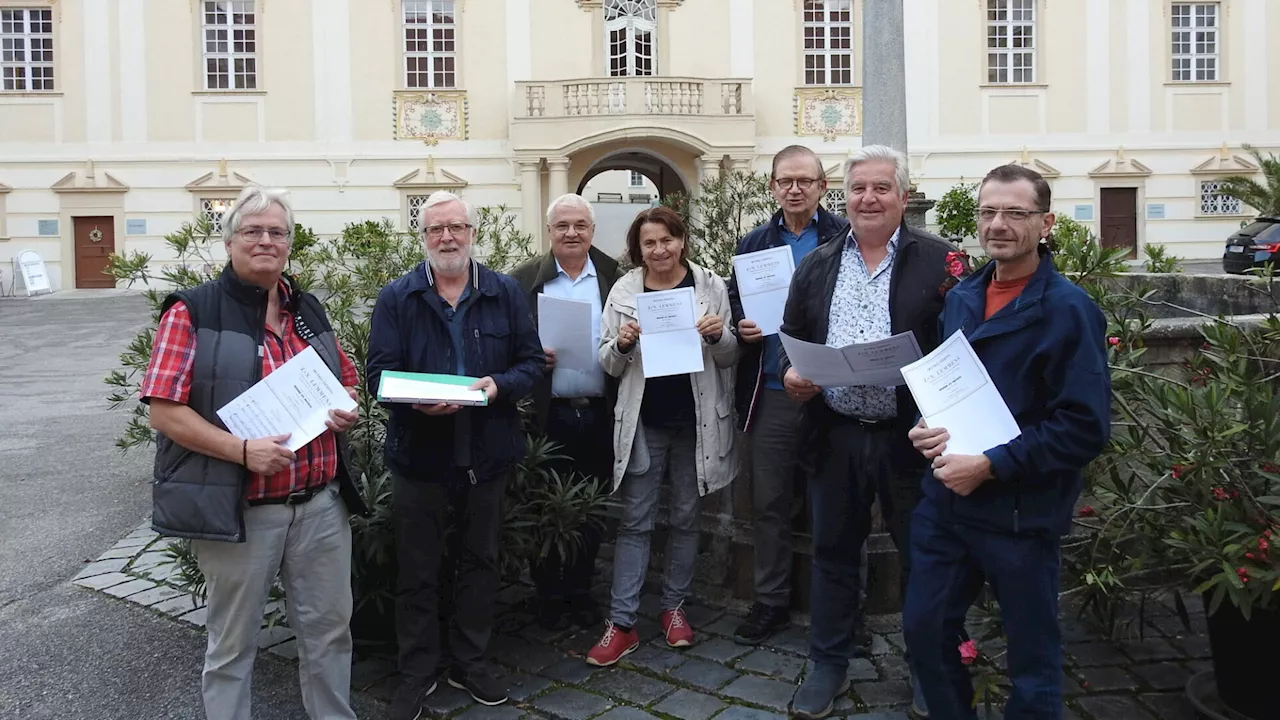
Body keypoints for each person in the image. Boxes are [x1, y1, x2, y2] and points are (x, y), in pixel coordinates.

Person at [139, 184, 368, 720]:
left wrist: (346, 408)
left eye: (277, 232)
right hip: (241, 509)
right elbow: (164, 411)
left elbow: (347, 381)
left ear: (289, 243)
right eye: (253, 231)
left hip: (320, 508)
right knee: (232, 646)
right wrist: (241, 451)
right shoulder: (192, 311)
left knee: (330, 635)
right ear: (229, 242)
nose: (266, 240)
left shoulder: (307, 308)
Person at [903, 164, 1111, 720]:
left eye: (1014, 213)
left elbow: (1084, 426)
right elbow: (949, 386)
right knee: (924, 631)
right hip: (947, 505)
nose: (998, 224)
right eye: (989, 212)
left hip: (1021, 513)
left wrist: (992, 466)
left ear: (1045, 223)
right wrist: (927, 425)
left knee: (1033, 660)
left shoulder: (1069, 310)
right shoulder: (963, 296)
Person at [779, 145, 955, 720]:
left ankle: (931, 668)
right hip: (837, 432)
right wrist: (794, 376)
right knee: (833, 552)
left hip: (912, 435)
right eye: (859, 189)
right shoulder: (820, 262)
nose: (868, 199)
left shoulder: (941, 262)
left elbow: (963, 346)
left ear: (903, 197)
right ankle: (827, 663)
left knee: (921, 554)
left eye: (881, 188)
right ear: (844, 196)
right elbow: (792, 337)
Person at [367, 190, 544, 718]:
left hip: (486, 453)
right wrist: (418, 402)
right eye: (435, 229)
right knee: (417, 569)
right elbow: (378, 375)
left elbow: (532, 364)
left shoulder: (504, 291)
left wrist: (496, 387)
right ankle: (417, 670)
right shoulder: (397, 297)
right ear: (422, 237)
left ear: (471, 232)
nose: (447, 237)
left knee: (480, 562)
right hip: (418, 456)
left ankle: (471, 661)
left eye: (456, 228)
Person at [585, 206, 739, 666]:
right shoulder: (625, 290)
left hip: (697, 422)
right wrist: (623, 344)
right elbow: (608, 363)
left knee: (688, 517)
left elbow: (732, 357)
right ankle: (623, 621)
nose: (659, 250)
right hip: (644, 423)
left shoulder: (709, 285)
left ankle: (674, 608)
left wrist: (718, 336)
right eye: (649, 243)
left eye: (667, 240)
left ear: (682, 241)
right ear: (639, 250)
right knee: (636, 520)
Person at [727, 145, 849, 646]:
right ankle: (771, 601)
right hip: (772, 391)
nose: (794, 189)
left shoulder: (844, 235)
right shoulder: (753, 243)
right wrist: (742, 323)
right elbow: (736, 299)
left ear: (822, 185)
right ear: (773, 187)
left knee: (840, 506)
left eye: (805, 180)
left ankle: (839, 609)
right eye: (785, 181)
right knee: (770, 503)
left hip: (833, 393)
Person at [510, 193, 623, 630]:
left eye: (579, 225)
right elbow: (504, 345)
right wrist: (531, 354)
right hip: (546, 413)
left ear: (592, 231)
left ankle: (580, 590)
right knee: (543, 503)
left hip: (600, 410)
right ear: (550, 231)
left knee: (592, 506)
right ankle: (547, 593)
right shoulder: (522, 281)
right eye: (562, 226)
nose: (571, 233)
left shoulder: (615, 277)